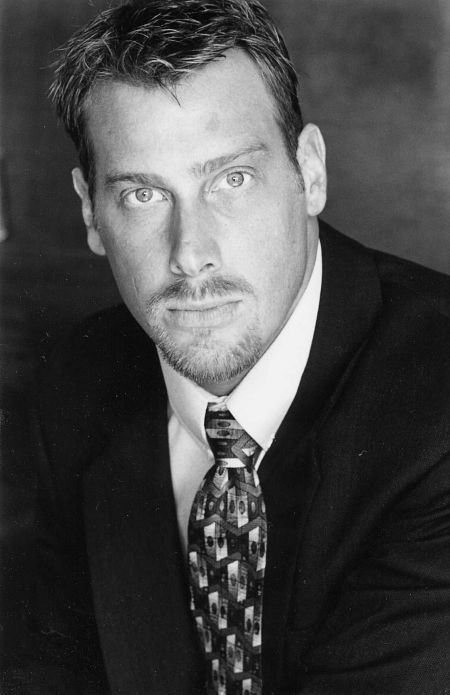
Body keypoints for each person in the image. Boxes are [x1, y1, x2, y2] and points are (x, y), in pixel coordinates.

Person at [3, 0, 450, 693]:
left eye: (231, 180)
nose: (191, 254)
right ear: (90, 210)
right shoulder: (74, 385)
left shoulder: (438, 399)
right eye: (144, 194)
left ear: (309, 172)